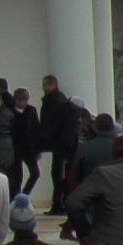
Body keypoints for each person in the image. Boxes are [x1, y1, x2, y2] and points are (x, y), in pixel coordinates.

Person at [37, 76, 76, 214]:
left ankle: (58, 203)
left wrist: (43, 139)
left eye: (45, 85)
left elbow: (49, 124)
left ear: (52, 85)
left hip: (57, 143)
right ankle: (59, 202)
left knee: (57, 173)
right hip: (61, 144)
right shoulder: (61, 101)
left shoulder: (54, 102)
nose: (43, 88)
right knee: (58, 173)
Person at [11, 88, 41, 197]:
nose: (24, 104)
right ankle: (16, 197)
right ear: (16, 100)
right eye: (21, 101)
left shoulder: (31, 110)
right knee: (18, 176)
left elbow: (36, 130)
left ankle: (24, 195)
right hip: (15, 148)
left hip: (29, 147)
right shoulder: (11, 111)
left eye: (25, 101)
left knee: (35, 173)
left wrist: (38, 149)